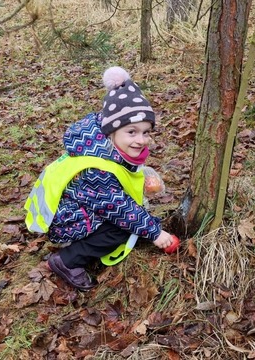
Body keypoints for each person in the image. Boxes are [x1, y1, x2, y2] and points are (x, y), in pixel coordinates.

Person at [24, 66, 174, 291]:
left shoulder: (105, 148)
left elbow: (119, 182)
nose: (141, 140)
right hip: (67, 220)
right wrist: (154, 232)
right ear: (111, 131)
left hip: (79, 209)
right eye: (131, 132)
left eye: (146, 132)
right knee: (122, 228)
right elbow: (118, 208)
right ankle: (68, 260)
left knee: (129, 220)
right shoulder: (98, 168)